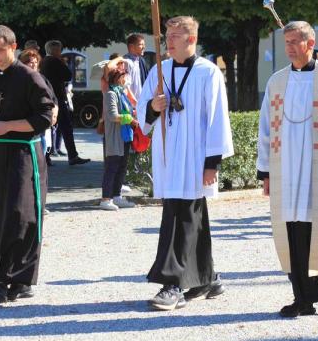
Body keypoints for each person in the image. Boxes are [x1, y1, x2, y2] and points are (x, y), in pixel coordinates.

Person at [137, 16, 233, 311]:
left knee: (181, 218)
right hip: (169, 156)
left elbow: (218, 120)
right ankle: (208, 277)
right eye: (167, 34)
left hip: (194, 158)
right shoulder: (159, 71)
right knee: (193, 218)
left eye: (175, 35)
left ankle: (173, 283)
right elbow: (143, 114)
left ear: (191, 39)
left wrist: (211, 164)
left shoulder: (208, 73)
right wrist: (153, 108)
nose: (169, 40)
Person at [258, 21, 318, 318]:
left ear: (309, 43)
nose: (288, 48)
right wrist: (265, 171)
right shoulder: (277, 81)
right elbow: (265, 128)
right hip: (285, 166)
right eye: (285, 42)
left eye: (293, 42)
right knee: (291, 231)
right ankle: (302, 296)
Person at [0, 25, 57, 305]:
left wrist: (6, 125)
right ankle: (2, 278)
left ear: (13, 47)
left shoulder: (30, 78)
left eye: (0, 50)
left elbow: (45, 117)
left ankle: (15, 279)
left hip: (24, 155)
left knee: (21, 215)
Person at [41, 40, 89, 166]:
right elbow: (68, 75)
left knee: (49, 129)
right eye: (59, 49)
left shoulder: (44, 61)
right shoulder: (55, 61)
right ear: (55, 50)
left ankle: (47, 156)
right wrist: (63, 62)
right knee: (66, 127)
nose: (61, 52)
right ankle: (72, 155)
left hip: (48, 97)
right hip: (57, 98)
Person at [100, 61, 137, 211]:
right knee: (112, 167)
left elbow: (128, 109)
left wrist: (133, 113)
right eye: (124, 77)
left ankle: (116, 196)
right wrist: (130, 119)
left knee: (122, 167)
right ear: (118, 78)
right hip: (115, 136)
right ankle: (105, 199)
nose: (127, 79)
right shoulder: (110, 94)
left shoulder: (122, 93)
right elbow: (113, 115)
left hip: (125, 136)